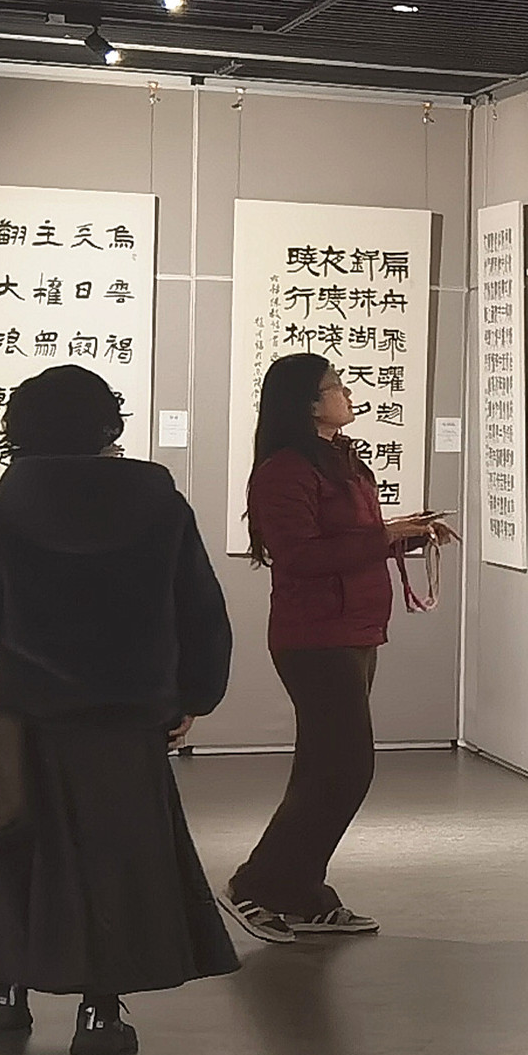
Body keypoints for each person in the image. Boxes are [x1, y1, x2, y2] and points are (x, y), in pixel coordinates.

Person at [0, 363, 239, 1055]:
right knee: (118, 855)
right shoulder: (161, 506)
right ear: (107, 425)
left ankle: (4, 988)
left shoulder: (0, 514)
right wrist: (194, 695)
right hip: (128, 715)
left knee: (20, 849)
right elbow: (201, 609)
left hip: (29, 712)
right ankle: (101, 1012)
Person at [228, 350, 453, 942]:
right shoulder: (285, 470)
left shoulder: (342, 461)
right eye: (335, 387)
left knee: (325, 768)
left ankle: (300, 892)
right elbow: (299, 555)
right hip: (314, 635)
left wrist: (406, 535)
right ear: (308, 404)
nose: (347, 394)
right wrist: (386, 535)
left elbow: (351, 540)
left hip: (353, 629)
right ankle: (257, 885)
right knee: (345, 768)